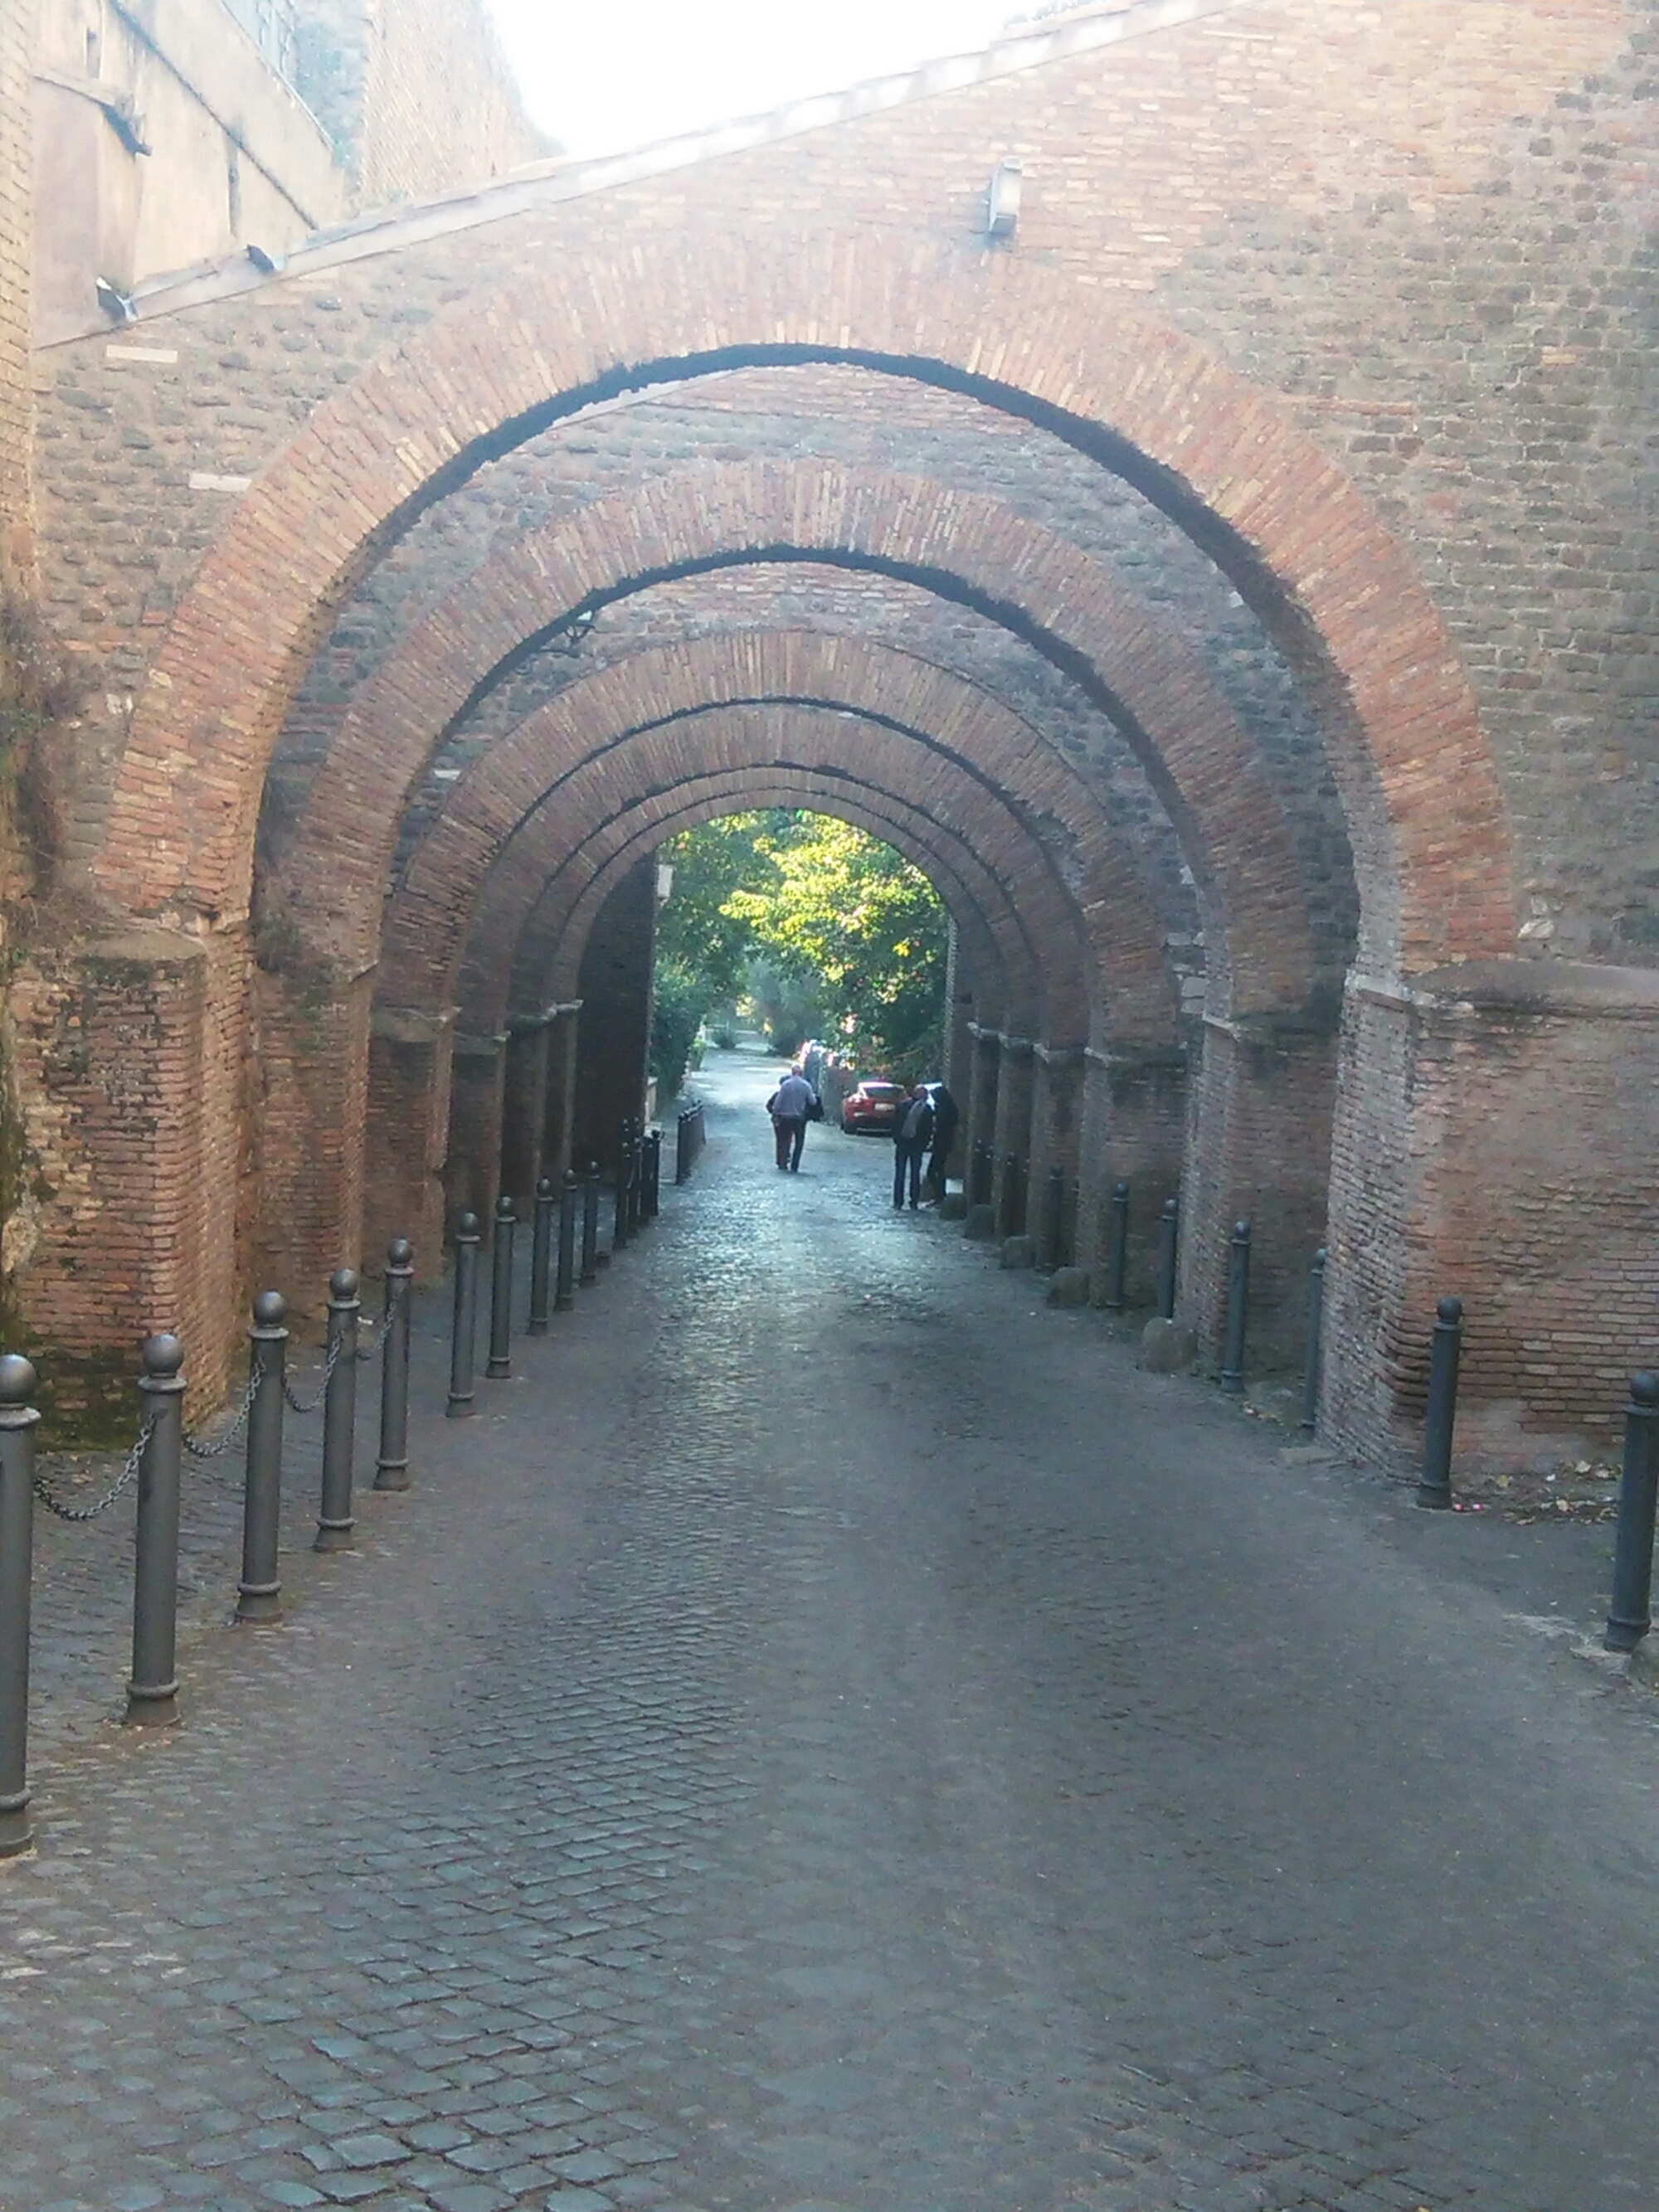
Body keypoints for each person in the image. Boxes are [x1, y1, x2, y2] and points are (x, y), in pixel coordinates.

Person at [893, 1082, 936, 1210]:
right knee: (912, 1173)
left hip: (906, 1143)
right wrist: (925, 1143)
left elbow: (895, 1124)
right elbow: (928, 1129)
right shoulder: (926, 1109)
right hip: (914, 1145)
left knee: (902, 1173)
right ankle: (911, 1200)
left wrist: (897, 1139)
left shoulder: (903, 1106)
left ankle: (900, 1201)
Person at [766, 1067, 816, 1172]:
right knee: (799, 1142)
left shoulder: (785, 1085)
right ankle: (795, 1165)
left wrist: (775, 1114)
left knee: (784, 1140)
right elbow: (812, 1102)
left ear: (792, 1073)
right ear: (801, 1073)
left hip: (785, 1117)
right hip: (799, 1118)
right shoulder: (806, 1085)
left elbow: (778, 1102)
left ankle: (783, 1162)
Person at [923, 1080, 960, 1202]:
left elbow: (941, 1128)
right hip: (944, 1143)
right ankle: (940, 1195)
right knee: (938, 1170)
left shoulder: (944, 1111)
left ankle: (940, 1195)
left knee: (933, 1171)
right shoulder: (949, 1109)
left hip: (941, 1144)